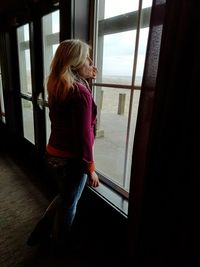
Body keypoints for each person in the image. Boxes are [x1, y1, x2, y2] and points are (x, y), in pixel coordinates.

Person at [27, 39, 99, 248]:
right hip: (71, 159)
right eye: (86, 57)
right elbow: (84, 135)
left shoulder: (58, 84)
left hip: (54, 153)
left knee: (65, 195)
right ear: (75, 62)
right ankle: (59, 243)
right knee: (69, 203)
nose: (91, 62)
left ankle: (41, 231)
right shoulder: (79, 92)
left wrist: (87, 81)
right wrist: (90, 167)